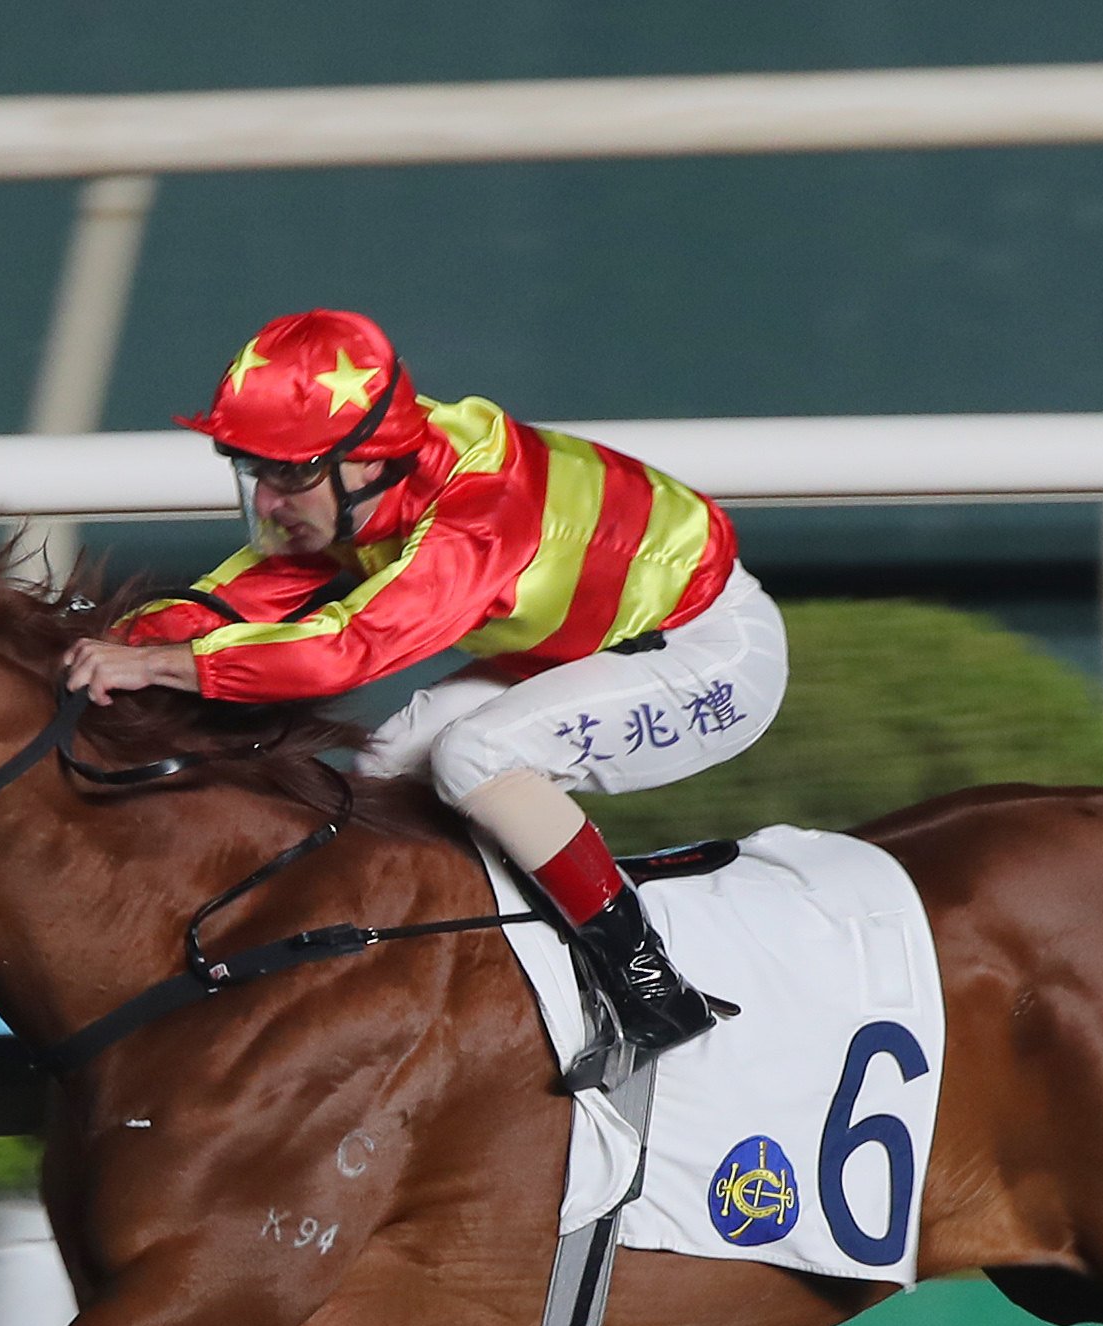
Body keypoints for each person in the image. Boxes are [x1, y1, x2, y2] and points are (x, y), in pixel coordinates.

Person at [62, 307, 787, 1077]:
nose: (267, 501)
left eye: (288, 475)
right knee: (382, 771)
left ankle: (652, 986)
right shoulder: (362, 478)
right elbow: (236, 601)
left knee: (475, 755)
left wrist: (158, 667)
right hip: (578, 648)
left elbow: (347, 649)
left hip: (707, 651)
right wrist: (107, 640)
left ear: (363, 462)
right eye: (254, 470)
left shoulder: (478, 513)